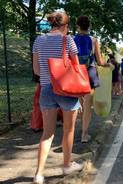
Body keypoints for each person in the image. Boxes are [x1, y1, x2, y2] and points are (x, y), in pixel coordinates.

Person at [32, 11, 83, 184]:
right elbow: (76, 66)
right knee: (68, 130)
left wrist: (49, 73)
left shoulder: (39, 40)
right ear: (64, 25)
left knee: (47, 133)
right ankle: (67, 165)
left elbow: (36, 71)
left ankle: (39, 174)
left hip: (46, 89)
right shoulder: (67, 40)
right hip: (66, 90)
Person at [74, 15, 108, 143]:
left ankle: (81, 126)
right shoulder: (93, 40)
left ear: (77, 26)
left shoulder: (71, 39)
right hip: (90, 72)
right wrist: (108, 64)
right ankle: (84, 133)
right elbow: (99, 61)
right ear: (89, 26)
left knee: (81, 103)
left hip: (77, 73)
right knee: (88, 104)